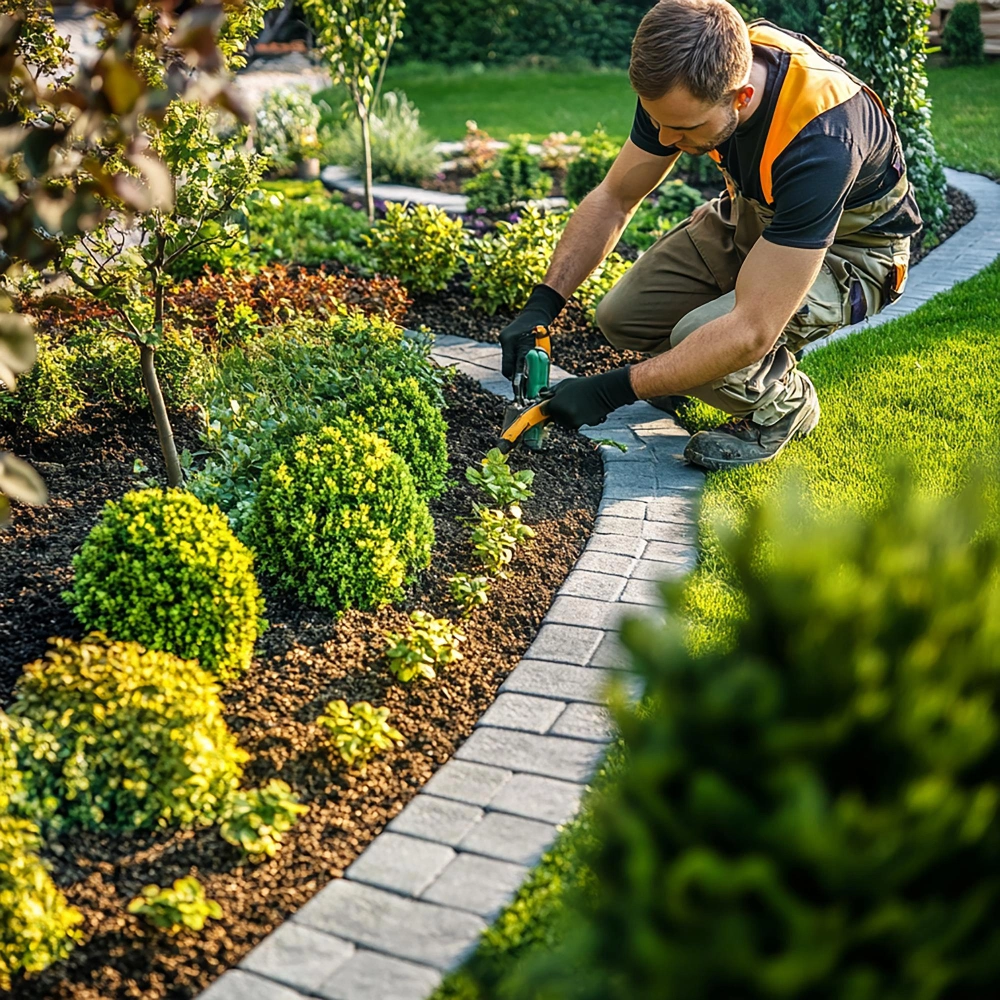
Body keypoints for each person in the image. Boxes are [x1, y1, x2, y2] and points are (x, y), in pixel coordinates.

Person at [500, 0, 920, 470]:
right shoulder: (685, 80)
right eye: (656, 120)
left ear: (740, 98)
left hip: (851, 254)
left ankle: (784, 404)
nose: (663, 139)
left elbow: (751, 330)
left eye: (681, 129)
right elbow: (615, 196)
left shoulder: (821, 140)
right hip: (755, 216)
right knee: (622, 317)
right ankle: (693, 372)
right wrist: (542, 303)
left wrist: (614, 388)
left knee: (706, 338)